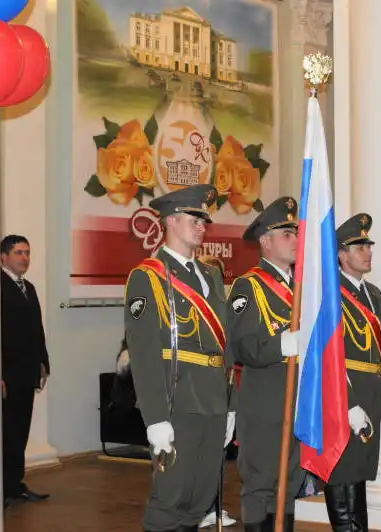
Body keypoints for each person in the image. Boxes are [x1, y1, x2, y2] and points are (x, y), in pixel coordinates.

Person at [124, 184, 235, 532]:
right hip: (179, 400)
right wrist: (156, 418)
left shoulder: (210, 274)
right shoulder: (148, 276)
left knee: (200, 498)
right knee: (170, 498)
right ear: (171, 220)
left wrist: (230, 404)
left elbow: (225, 343)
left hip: (213, 400)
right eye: (194, 219)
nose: (202, 227)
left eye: (204, 221)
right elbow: (143, 353)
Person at [225, 197, 304, 532]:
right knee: (260, 486)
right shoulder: (249, 286)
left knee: (290, 486)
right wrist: (282, 344)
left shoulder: (301, 288)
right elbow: (241, 345)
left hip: (298, 402)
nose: (296, 240)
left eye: (296, 233)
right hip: (265, 403)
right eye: (287, 234)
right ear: (266, 241)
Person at [323, 213, 381, 531]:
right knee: (341, 470)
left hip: (370, 391)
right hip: (344, 391)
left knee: (360, 472)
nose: (368, 252)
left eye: (369, 246)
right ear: (341, 254)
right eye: (359, 247)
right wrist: (348, 402)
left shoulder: (373, 293)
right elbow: (328, 354)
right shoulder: (330, 292)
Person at [0, 235, 51, 508]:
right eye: (18, 252)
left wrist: (43, 362)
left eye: (27, 252)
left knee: (20, 431)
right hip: (6, 375)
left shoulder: (28, 287)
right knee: (5, 433)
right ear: (3, 257)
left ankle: (15, 486)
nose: (24, 257)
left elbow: (36, 328)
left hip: (26, 372)